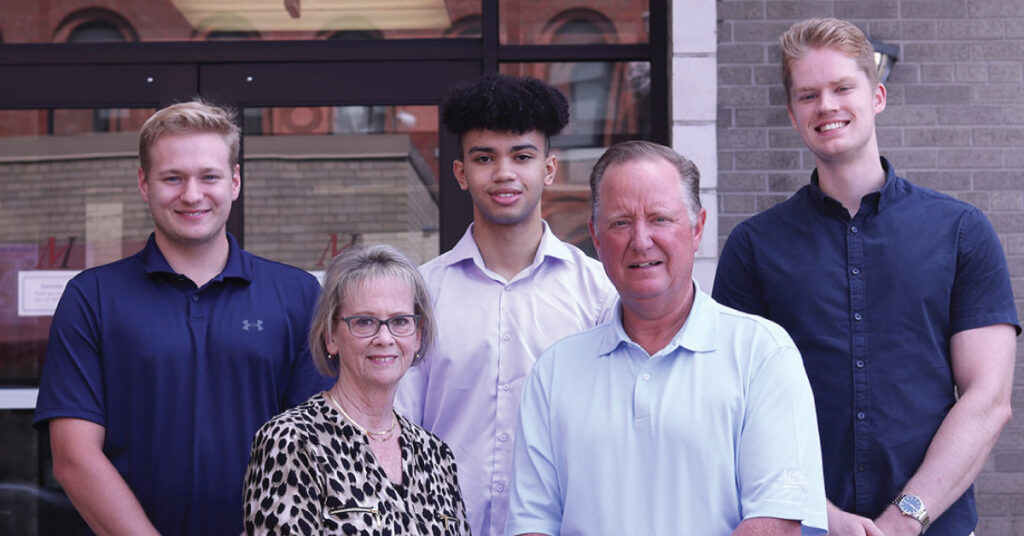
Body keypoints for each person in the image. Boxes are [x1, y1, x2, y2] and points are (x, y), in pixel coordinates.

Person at [712, 18, 1020, 536]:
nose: (826, 106)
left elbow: (987, 399)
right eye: (808, 95)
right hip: (803, 527)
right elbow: (731, 403)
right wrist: (822, 515)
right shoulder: (754, 246)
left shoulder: (962, 231)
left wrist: (904, 521)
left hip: (935, 525)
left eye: (842, 88)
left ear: (876, 95)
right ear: (792, 115)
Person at [33, 100, 330, 536]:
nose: (192, 194)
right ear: (143, 183)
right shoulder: (92, 297)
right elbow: (74, 458)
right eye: (173, 178)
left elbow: (316, 445)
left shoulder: (297, 294)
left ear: (234, 182)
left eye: (209, 176)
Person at [506, 140, 828, 536]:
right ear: (596, 236)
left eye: (659, 218)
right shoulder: (554, 372)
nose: (641, 240)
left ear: (697, 228)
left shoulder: (761, 354)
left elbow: (776, 521)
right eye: (620, 222)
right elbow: (531, 525)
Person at [395, 73, 617, 536]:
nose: (504, 173)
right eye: (484, 157)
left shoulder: (598, 293)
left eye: (522, 156)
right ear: (460, 173)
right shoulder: (420, 294)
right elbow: (397, 427)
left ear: (549, 169)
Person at [244, 244, 470, 535]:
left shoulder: (436, 455)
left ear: (418, 335)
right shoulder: (292, 441)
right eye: (365, 322)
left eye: (400, 321)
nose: (384, 337)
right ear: (331, 336)